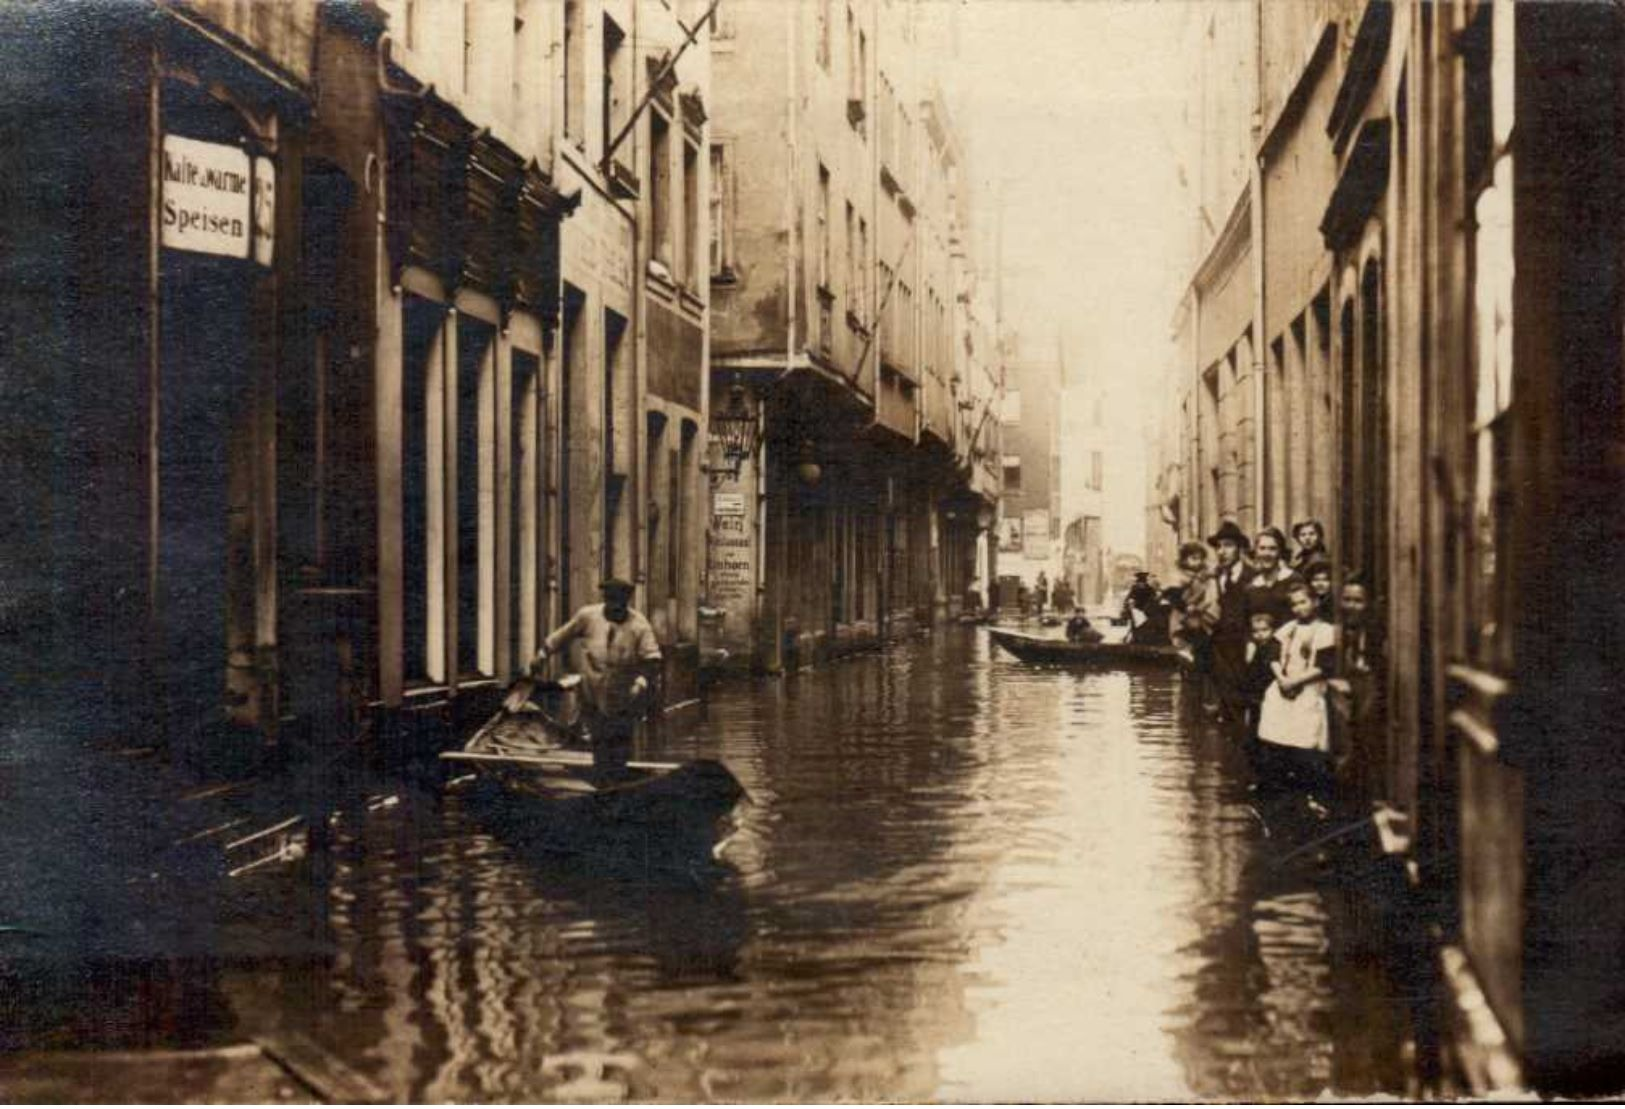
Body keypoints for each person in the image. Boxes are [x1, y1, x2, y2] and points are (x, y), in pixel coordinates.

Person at [530, 578, 662, 774]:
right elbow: (562, 635)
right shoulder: (588, 616)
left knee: (620, 738)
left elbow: (653, 659)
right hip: (592, 685)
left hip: (624, 689)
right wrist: (542, 655)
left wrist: (641, 682)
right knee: (598, 734)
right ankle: (602, 778)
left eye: (620, 606)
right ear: (605, 601)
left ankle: (618, 778)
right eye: (611, 604)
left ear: (626, 603)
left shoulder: (639, 625)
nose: (615, 610)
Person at [1256, 580, 1337, 813]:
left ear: (1314, 601)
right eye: (1294, 605)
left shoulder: (1326, 631)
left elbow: (1324, 666)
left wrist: (1296, 681)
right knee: (1277, 737)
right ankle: (1281, 794)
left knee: (1306, 741)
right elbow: (1271, 653)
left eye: (1303, 602)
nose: (1299, 608)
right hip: (1284, 688)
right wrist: (1281, 677)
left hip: (1308, 689)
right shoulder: (1287, 629)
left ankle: (1312, 795)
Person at [1207, 520, 1255, 725]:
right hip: (1220, 652)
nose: (1221, 551)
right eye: (1218, 546)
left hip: (1244, 650)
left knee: (1244, 708)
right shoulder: (1215, 577)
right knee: (1226, 712)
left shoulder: (1251, 576)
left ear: (1239, 549)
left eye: (1228, 545)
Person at [1242, 526, 1301, 630]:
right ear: (1255, 551)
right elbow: (1246, 624)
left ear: (1280, 551)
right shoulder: (1251, 588)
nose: (1267, 554)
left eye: (1272, 548)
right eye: (1262, 548)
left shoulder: (1294, 580)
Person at [1239, 610, 1281, 753]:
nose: (1260, 634)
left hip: (1267, 688)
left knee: (1264, 718)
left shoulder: (1273, 646)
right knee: (1254, 716)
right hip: (1255, 688)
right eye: (1255, 631)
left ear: (1272, 630)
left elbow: (1272, 666)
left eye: (1264, 630)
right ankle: (1253, 743)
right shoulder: (1257, 646)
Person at [1121, 571, 1171, 646]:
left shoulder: (1137, 588)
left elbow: (1129, 598)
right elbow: (1154, 598)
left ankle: (1137, 637)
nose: (1141, 584)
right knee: (1142, 623)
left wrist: (1128, 605)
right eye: (1142, 581)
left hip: (1141, 609)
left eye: (1142, 581)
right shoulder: (1146, 588)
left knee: (1137, 624)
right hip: (1144, 609)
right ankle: (1141, 637)